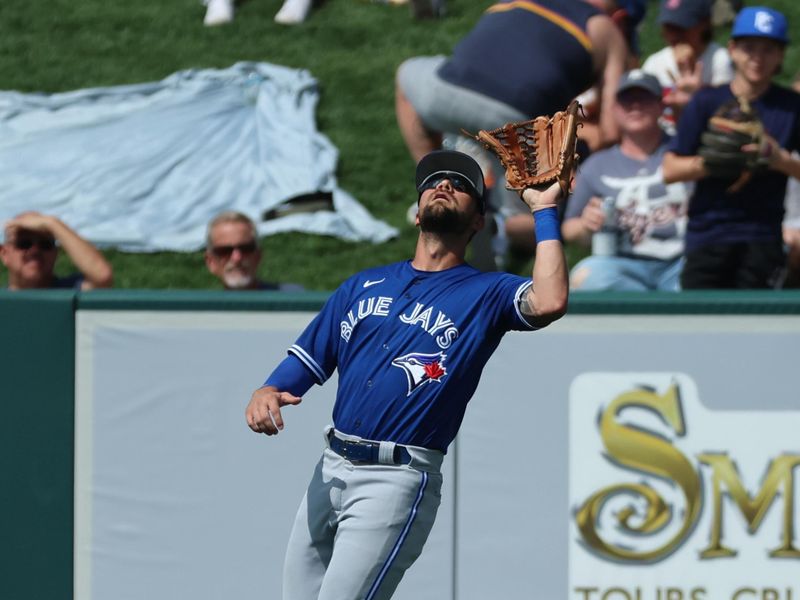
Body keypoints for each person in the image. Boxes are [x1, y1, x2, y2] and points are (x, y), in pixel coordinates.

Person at [245, 150, 568, 599]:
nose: (444, 184)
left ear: (479, 222)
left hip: (394, 478)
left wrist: (545, 211)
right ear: (417, 214)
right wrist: (269, 389)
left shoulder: (486, 293)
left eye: (460, 185)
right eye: (434, 181)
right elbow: (307, 359)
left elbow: (549, 300)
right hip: (331, 468)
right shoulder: (361, 285)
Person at [662, 6, 800, 289]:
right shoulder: (706, 101)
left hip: (763, 235)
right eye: (750, 48)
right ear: (733, 49)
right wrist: (709, 162)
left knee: (758, 325)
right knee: (698, 323)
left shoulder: (791, 106)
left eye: (768, 50)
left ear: (780, 55)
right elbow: (669, 170)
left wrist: (779, 158)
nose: (758, 58)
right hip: (708, 234)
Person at [395, 0, 629, 162]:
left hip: (450, 91)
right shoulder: (606, 30)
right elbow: (612, 131)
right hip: (520, 120)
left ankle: (434, 181)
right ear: (619, 17)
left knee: (406, 75)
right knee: (523, 219)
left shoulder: (512, 3)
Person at [563, 70, 690, 291]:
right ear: (614, 109)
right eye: (627, 100)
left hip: (682, 260)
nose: (635, 106)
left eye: (645, 99)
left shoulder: (684, 154)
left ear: (661, 106)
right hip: (621, 264)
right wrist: (586, 224)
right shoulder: (596, 165)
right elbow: (569, 228)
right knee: (588, 276)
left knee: (708, 275)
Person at [641, 0, 734, 133]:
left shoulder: (719, 59)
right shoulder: (654, 63)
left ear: (704, 23)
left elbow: (727, 118)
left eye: (680, 28)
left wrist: (699, 97)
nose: (673, 35)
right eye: (668, 27)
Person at [0, 211, 113, 290]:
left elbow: (102, 276)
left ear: (55, 253)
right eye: (24, 244)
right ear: (4, 254)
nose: (35, 251)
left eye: (45, 244)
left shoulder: (69, 290)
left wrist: (52, 223)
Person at [205, 211, 304, 291]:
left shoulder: (294, 298)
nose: (237, 258)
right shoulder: (199, 311)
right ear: (211, 262)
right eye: (224, 251)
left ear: (258, 256)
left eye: (246, 249)